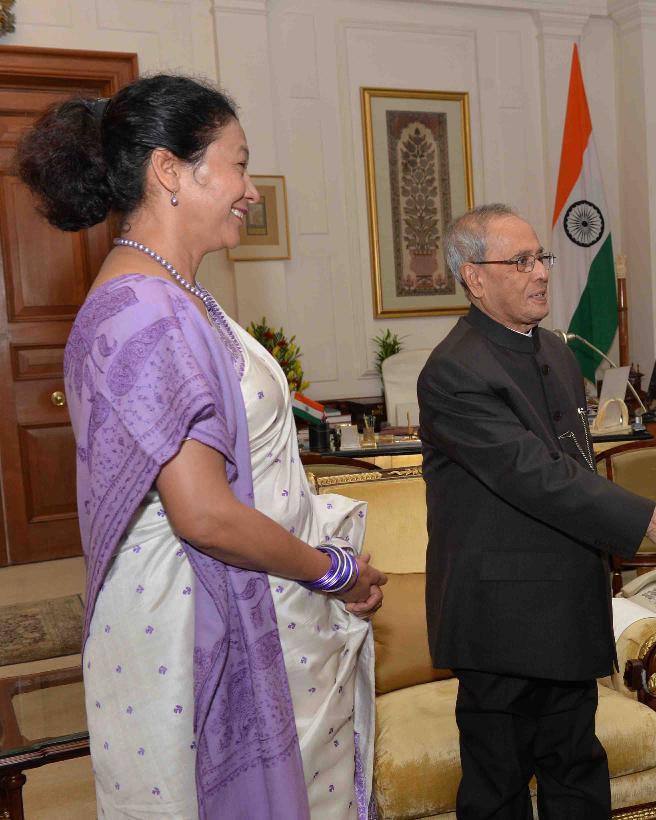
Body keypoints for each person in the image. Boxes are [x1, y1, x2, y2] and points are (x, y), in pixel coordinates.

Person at [17, 74, 387, 818]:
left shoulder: (174, 292)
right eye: (238, 164)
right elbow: (205, 515)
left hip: (260, 596)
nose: (251, 189)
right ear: (170, 170)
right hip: (193, 628)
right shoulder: (142, 310)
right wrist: (334, 571)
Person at [417, 203, 656, 819]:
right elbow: (536, 477)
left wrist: (634, 533)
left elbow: (577, 465)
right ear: (475, 278)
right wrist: (651, 520)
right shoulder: (452, 370)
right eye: (521, 261)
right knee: (498, 790)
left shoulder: (555, 349)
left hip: (568, 604)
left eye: (541, 257)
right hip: (499, 621)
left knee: (578, 775)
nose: (541, 273)